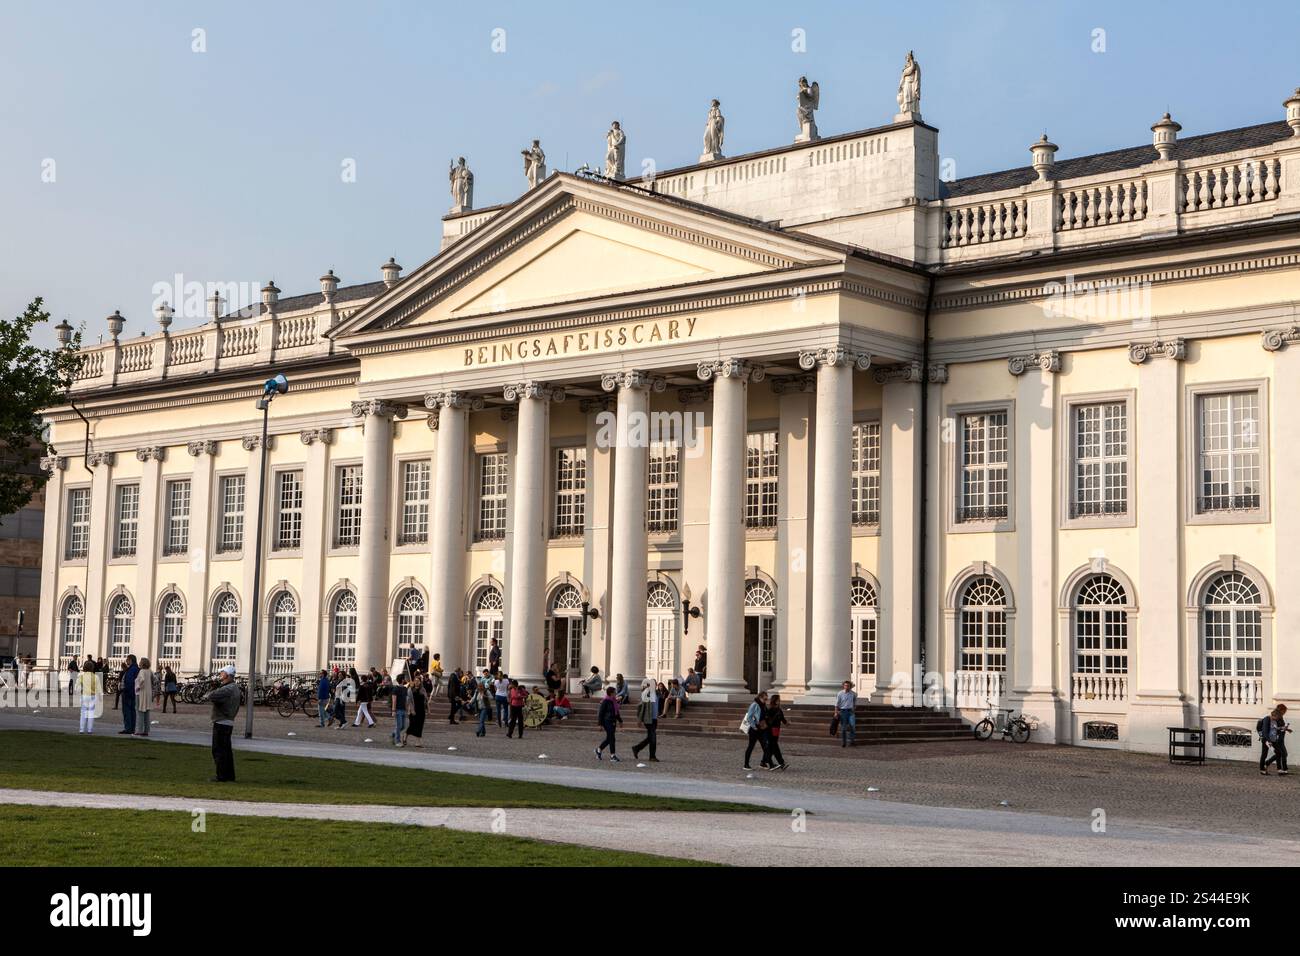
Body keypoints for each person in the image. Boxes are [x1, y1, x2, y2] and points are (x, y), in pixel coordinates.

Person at [202, 665, 242, 781]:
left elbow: (211, 696)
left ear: (227, 675)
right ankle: (229, 775)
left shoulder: (227, 688)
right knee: (226, 751)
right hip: (227, 721)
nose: (220, 674)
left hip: (222, 721)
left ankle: (222, 776)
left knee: (219, 750)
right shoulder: (233, 688)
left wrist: (211, 692)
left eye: (222, 672)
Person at [632, 678, 659, 762]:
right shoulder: (647, 693)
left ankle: (636, 748)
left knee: (650, 737)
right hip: (648, 719)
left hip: (654, 718)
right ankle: (652, 756)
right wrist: (639, 719)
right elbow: (641, 706)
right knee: (653, 737)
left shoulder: (655, 693)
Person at [1259, 704, 1291, 775]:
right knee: (1264, 754)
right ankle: (1262, 769)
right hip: (1266, 740)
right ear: (1274, 715)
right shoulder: (1267, 719)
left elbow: (1276, 728)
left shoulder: (1275, 720)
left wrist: (1285, 729)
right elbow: (1265, 731)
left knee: (1279, 752)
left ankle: (1278, 768)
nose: (1277, 719)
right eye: (1276, 718)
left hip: (1273, 740)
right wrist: (1268, 741)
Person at [743, 692, 771, 770]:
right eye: (765, 699)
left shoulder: (763, 705)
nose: (766, 700)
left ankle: (763, 763)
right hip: (754, 730)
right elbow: (749, 717)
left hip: (762, 729)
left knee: (766, 746)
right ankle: (746, 765)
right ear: (760, 697)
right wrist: (754, 726)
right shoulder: (754, 705)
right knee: (751, 747)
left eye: (767, 699)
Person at [595, 686, 622, 762]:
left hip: (613, 721)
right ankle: (612, 755)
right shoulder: (605, 701)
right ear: (611, 693)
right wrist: (600, 724)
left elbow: (616, 712)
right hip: (606, 722)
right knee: (612, 738)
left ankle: (599, 750)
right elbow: (601, 713)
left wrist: (620, 720)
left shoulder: (614, 701)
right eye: (614, 692)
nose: (616, 693)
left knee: (609, 738)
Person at [766, 693, 789, 771]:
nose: (780, 701)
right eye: (779, 700)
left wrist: (786, 723)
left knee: (771, 747)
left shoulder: (779, 709)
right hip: (770, 730)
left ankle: (765, 762)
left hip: (776, 730)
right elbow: (767, 720)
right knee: (774, 747)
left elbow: (782, 718)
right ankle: (781, 763)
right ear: (775, 701)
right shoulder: (770, 709)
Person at [133, 657, 154, 736]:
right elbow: (155, 679)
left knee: (140, 712)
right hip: (148, 693)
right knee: (146, 713)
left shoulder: (142, 671)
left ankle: (139, 730)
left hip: (141, 693)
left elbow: (142, 680)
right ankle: (146, 730)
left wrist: (138, 687)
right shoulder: (150, 671)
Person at [77, 661, 99, 735]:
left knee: (83, 713)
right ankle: (89, 730)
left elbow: (76, 687)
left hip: (84, 695)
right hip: (92, 696)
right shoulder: (95, 676)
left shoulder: (82, 676)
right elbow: (98, 689)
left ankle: (81, 729)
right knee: (91, 713)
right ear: (92, 668)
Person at [119, 655, 139, 734]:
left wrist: (126, 690)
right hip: (133, 693)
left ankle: (128, 728)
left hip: (128, 693)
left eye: (127, 659)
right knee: (132, 711)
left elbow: (130, 682)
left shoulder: (131, 669)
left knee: (127, 711)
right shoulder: (135, 669)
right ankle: (131, 728)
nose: (126, 661)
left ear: (130, 660)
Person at [406, 672, 427, 747]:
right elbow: (409, 701)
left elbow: (425, 700)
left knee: (420, 726)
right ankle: (405, 736)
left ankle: (417, 742)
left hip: (421, 710)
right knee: (412, 725)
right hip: (413, 710)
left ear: (421, 682)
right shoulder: (411, 689)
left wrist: (428, 709)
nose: (417, 682)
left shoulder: (423, 689)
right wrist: (411, 710)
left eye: (418, 681)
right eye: (415, 681)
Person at [836, 680, 858, 747]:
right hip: (843, 712)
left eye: (848, 686)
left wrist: (854, 708)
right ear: (843, 686)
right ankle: (844, 742)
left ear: (850, 686)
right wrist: (836, 712)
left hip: (851, 712)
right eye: (845, 685)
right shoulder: (840, 693)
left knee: (852, 727)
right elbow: (837, 704)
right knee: (844, 728)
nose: (846, 687)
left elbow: (854, 702)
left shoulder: (853, 694)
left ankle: (852, 741)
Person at [391, 675, 409, 747]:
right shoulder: (395, 689)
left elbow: (406, 700)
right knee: (399, 726)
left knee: (403, 726)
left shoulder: (405, 688)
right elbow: (394, 700)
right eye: (404, 679)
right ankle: (397, 741)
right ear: (402, 680)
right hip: (397, 709)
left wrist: (407, 708)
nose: (405, 680)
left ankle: (393, 734)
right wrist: (393, 710)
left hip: (403, 709)